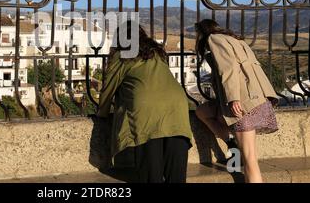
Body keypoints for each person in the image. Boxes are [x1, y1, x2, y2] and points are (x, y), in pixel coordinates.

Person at [97, 20, 192, 183]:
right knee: (176, 176)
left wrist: (102, 113)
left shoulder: (122, 56)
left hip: (147, 112)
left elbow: (108, 88)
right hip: (178, 108)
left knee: (151, 174)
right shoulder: (156, 53)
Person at [194, 19, 279, 183]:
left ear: (203, 32)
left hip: (242, 103)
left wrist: (233, 98)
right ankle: (230, 141)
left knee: (250, 159)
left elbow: (229, 68)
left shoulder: (214, 39)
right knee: (202, 111)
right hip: (256, 99)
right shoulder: (235, 40)